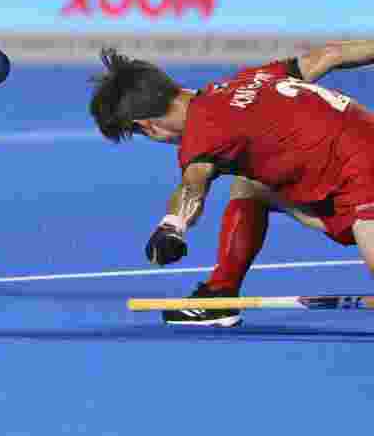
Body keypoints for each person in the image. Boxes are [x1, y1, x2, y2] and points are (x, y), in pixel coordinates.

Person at [89, 42, 374, 327]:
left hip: (364, 180)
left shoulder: (203, 135)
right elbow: (331, 54)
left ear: (147, 125)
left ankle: (220, 293)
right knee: (249, 186)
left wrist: (171, 227)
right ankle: (220, 293)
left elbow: (192, 188)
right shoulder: (247, 80)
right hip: (354, 165)